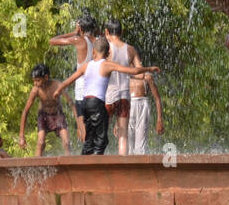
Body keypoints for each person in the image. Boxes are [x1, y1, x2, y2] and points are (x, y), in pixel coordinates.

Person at [54, 48, 158, 155]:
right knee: (101, 139)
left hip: (85, 103)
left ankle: (85, 162)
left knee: (89, 137)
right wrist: (149, 68)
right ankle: (96, 163)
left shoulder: (86, 65)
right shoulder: (107, 65)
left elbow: (70, 79)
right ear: (108, 53)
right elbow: (134, 71)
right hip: (97, 103)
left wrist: (58, 90)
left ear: (94, 52)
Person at [49, 15, 99, 144]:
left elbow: (53, 40)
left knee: (82, 126)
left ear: (80, 28)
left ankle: (86, 156)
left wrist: (75, 32)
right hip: (97, 90)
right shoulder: (100, 42)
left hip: (82, 90)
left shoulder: (79, 40)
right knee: (94, 126)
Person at [102, 20, 141, 155]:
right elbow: (139, 71)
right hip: (124, 96)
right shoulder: (130, 49)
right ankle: (123, 168)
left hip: (108, 96)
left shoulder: (105, 48)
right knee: (123, 134)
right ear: (121, 32)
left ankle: (97, 167)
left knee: (101, 132)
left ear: (107, 32)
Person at [19, 64, 72, 156]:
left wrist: (80, 124)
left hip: (57, 115)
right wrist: (21, 136)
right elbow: (25, 111)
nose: (35, 83)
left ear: (46, 77)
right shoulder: (36, 90)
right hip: (43, 116)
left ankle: (70, 166)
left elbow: (71, 103)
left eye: (38, 80)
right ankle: (36, 166)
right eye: (34, 81)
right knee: (40, 143)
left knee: (66, 142)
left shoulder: (57, 85)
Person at [127, 62, 164, 155]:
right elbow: (121, 98)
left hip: (142, 105)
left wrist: (159, 120)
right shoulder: (125, 76)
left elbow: (157, 98)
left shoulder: (147, 77)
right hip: (128, 105)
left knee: (141, 142)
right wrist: (117, 123)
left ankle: (139, 167)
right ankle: (127, 167)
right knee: (127, 141)